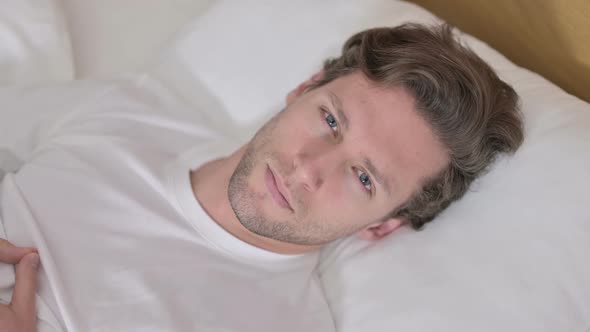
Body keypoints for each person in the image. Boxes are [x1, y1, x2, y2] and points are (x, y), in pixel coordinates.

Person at [0, 23, 523, 331]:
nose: (309, 167)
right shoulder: (121, 111)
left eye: (364, 178)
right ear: (305, 88)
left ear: (384, 225)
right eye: (331, 120)